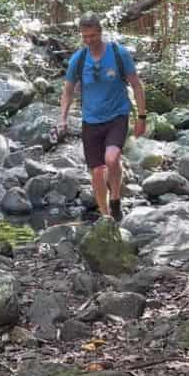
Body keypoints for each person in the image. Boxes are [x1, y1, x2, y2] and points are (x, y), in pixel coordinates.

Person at [58, 13, 147, 222]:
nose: (89, 40)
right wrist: (62, 117)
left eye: (92, 36)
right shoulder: (78, 59)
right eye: (85, 37)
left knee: (111, 158)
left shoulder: (118, 53)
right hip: (91, 120)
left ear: (100, 33)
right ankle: (106, 216)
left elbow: (136, 84)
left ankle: (115, 197)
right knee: (97, 172)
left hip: (117, 115)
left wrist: (141, 117)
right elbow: (68, 90)